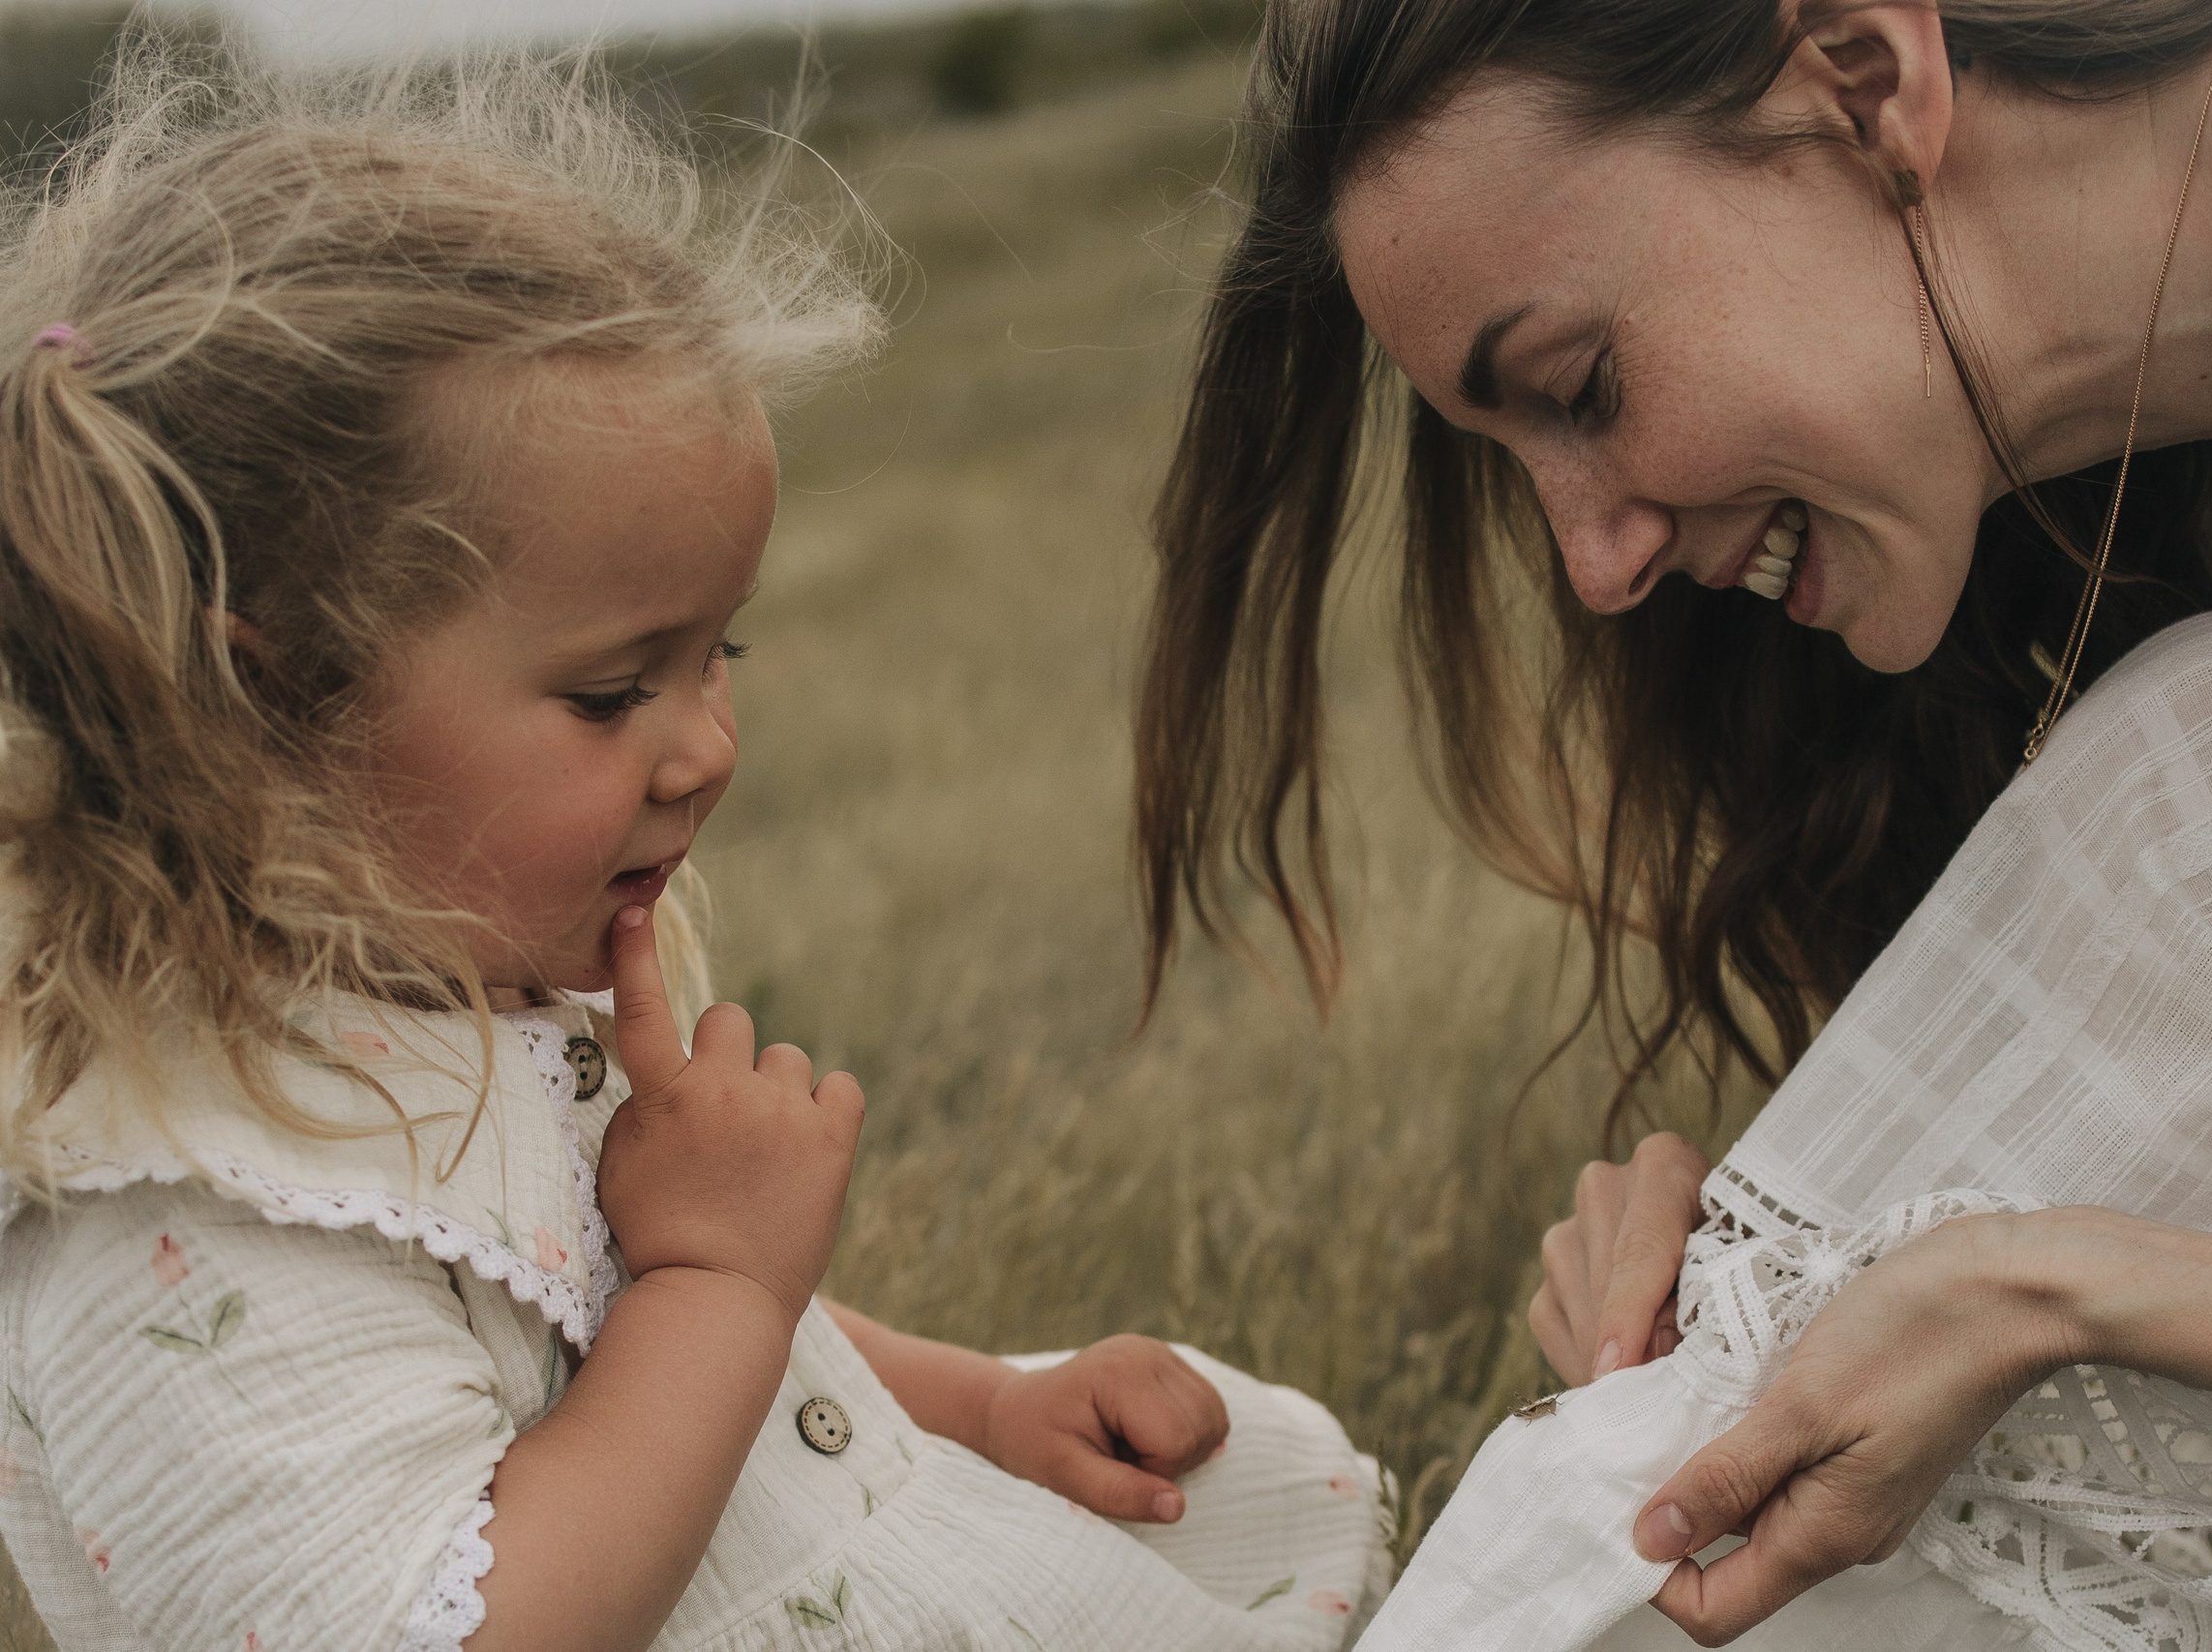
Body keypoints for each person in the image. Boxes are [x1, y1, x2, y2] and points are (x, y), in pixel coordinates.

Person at [0, 39, 1391, 1652]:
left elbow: (603, 1323)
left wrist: (980, 1410)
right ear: (265, 704)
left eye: (720, 653)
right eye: (612, 692)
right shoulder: (179, 1217)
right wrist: (717, 1289)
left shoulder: (449, 991)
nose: (709, 745)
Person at [1133, 0, 2212, 1641]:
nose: (1595, 562)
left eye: (1581, 384)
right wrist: (1814, 1252)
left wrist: (2038, 1286)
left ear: (1861, 80)